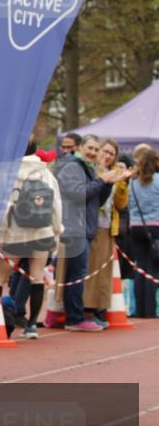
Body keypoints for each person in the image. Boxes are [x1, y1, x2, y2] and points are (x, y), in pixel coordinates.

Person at [56, 134, 127, 332]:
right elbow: (79, 194)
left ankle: (74, 316)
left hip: (85, 227)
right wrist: (102, 180)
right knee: (75, 274)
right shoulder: (73, 166)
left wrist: (108, 183)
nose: (94, 153)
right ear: (81, 147)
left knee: (77, 273)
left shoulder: (88, 169)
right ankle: (74, 318)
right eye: (91, 148)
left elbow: (97, 200)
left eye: (97, 150)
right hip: (74, 227)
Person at [0, 138, 63, 338]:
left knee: (0, 277)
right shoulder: (46, 173)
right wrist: (56, 231)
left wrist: (0, 233)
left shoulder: (9, 173)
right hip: (42, 231)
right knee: (37, 277)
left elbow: (5, 205)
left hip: (14, 233)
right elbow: (56, 206)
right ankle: (31, 326)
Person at [83, 138, 121, 324]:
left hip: (108, 226)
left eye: (111, 154)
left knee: (103, 271)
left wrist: (121, 184)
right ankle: (88, 308)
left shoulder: (114, 173)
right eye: (104, 151)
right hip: (91, 225)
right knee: (89, 268)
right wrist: (103, 178)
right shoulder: (90, 171)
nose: (107, 156)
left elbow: (121, 203)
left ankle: (100, 307)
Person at [128, 147, 159, 318]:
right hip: (155, 226)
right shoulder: (158, 180)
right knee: (153, 268)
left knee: (140, 267)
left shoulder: (133, 182)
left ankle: (139, 309)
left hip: (136, 226)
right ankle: (150, 310)